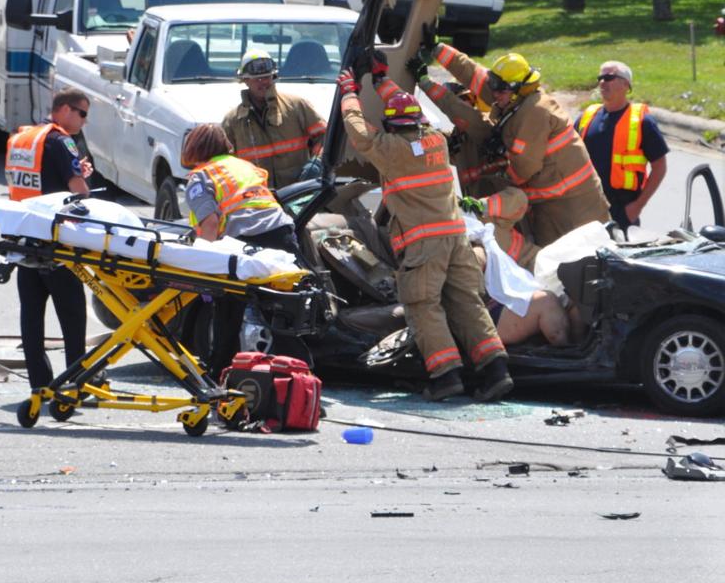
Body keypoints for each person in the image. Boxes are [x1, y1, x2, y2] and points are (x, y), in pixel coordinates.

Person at [338, 65, 512, 402]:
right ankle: (496, 371)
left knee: (423, 306)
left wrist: (349, 93)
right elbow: (409, 111)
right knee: (466, 302)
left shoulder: (391, 150)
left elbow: (358, 132)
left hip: (423, 245)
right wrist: (383, 81)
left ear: (390, 125)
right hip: (457, 240)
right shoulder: (436, 141)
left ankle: (445, 376)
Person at [423, 41, 610, 247]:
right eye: (494, 87)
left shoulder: (535, 113)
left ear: (517, 89)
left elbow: (522, 171)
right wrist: (438, 49)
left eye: (500, 90)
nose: (494, 94)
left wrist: (499, 170)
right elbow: (476, 76)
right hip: (549, 201)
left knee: (566, 263)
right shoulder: (513, 98)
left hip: (572, 208)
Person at [181, 123, 303, 377]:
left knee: (228, 313)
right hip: (281, 234)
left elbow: (211, 222)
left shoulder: (201, 176)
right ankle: (297, 380)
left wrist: (208, 263)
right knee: (283, 310)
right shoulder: (244, 166)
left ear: (193, 148)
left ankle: (219, 377)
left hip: (245, 242)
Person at [6, 87, 93, 389]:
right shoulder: (61, 141)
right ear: (65, 109)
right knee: (73, 320)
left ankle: (39, 386)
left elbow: (35, 181)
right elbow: (79, 191)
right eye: (83, 113)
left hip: (25, 239)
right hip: (58, 243)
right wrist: (84, 182)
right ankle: (76, 384)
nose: (84, 121)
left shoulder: (24, 139)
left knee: (31, 321)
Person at [576, 61, 669, 235]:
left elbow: (660, 167)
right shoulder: (587, 116)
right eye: (600, 78)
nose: (602, 82)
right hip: (586, 206)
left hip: (621, 209)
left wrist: (637, 207)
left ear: (626, 84)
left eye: (609, 77)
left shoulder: (642, 122)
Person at [221, 49, 328, 190]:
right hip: (257, 197)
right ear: (245, 80)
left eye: (267, 77)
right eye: (257, 79)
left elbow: (325, 137)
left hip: (296, 191)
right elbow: (222, 161)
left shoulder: (296, 106)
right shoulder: (233, 121)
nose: (263, 82)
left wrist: (317, 162)